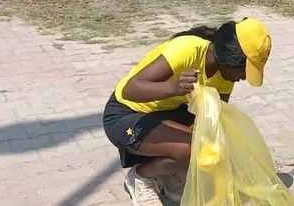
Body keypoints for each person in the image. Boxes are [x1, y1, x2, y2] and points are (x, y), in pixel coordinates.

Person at [103, 18, 272, 205]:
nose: (244, 77)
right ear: (229, 57)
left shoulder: (225, 77)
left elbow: (211, 120)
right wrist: (173, 87)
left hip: (165, 114)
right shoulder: (187, 50)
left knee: (210, 145)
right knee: (192, 149)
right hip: (126, 115)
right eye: (244, 70)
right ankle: (141, 177)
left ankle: (169, 173)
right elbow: (131, 89)